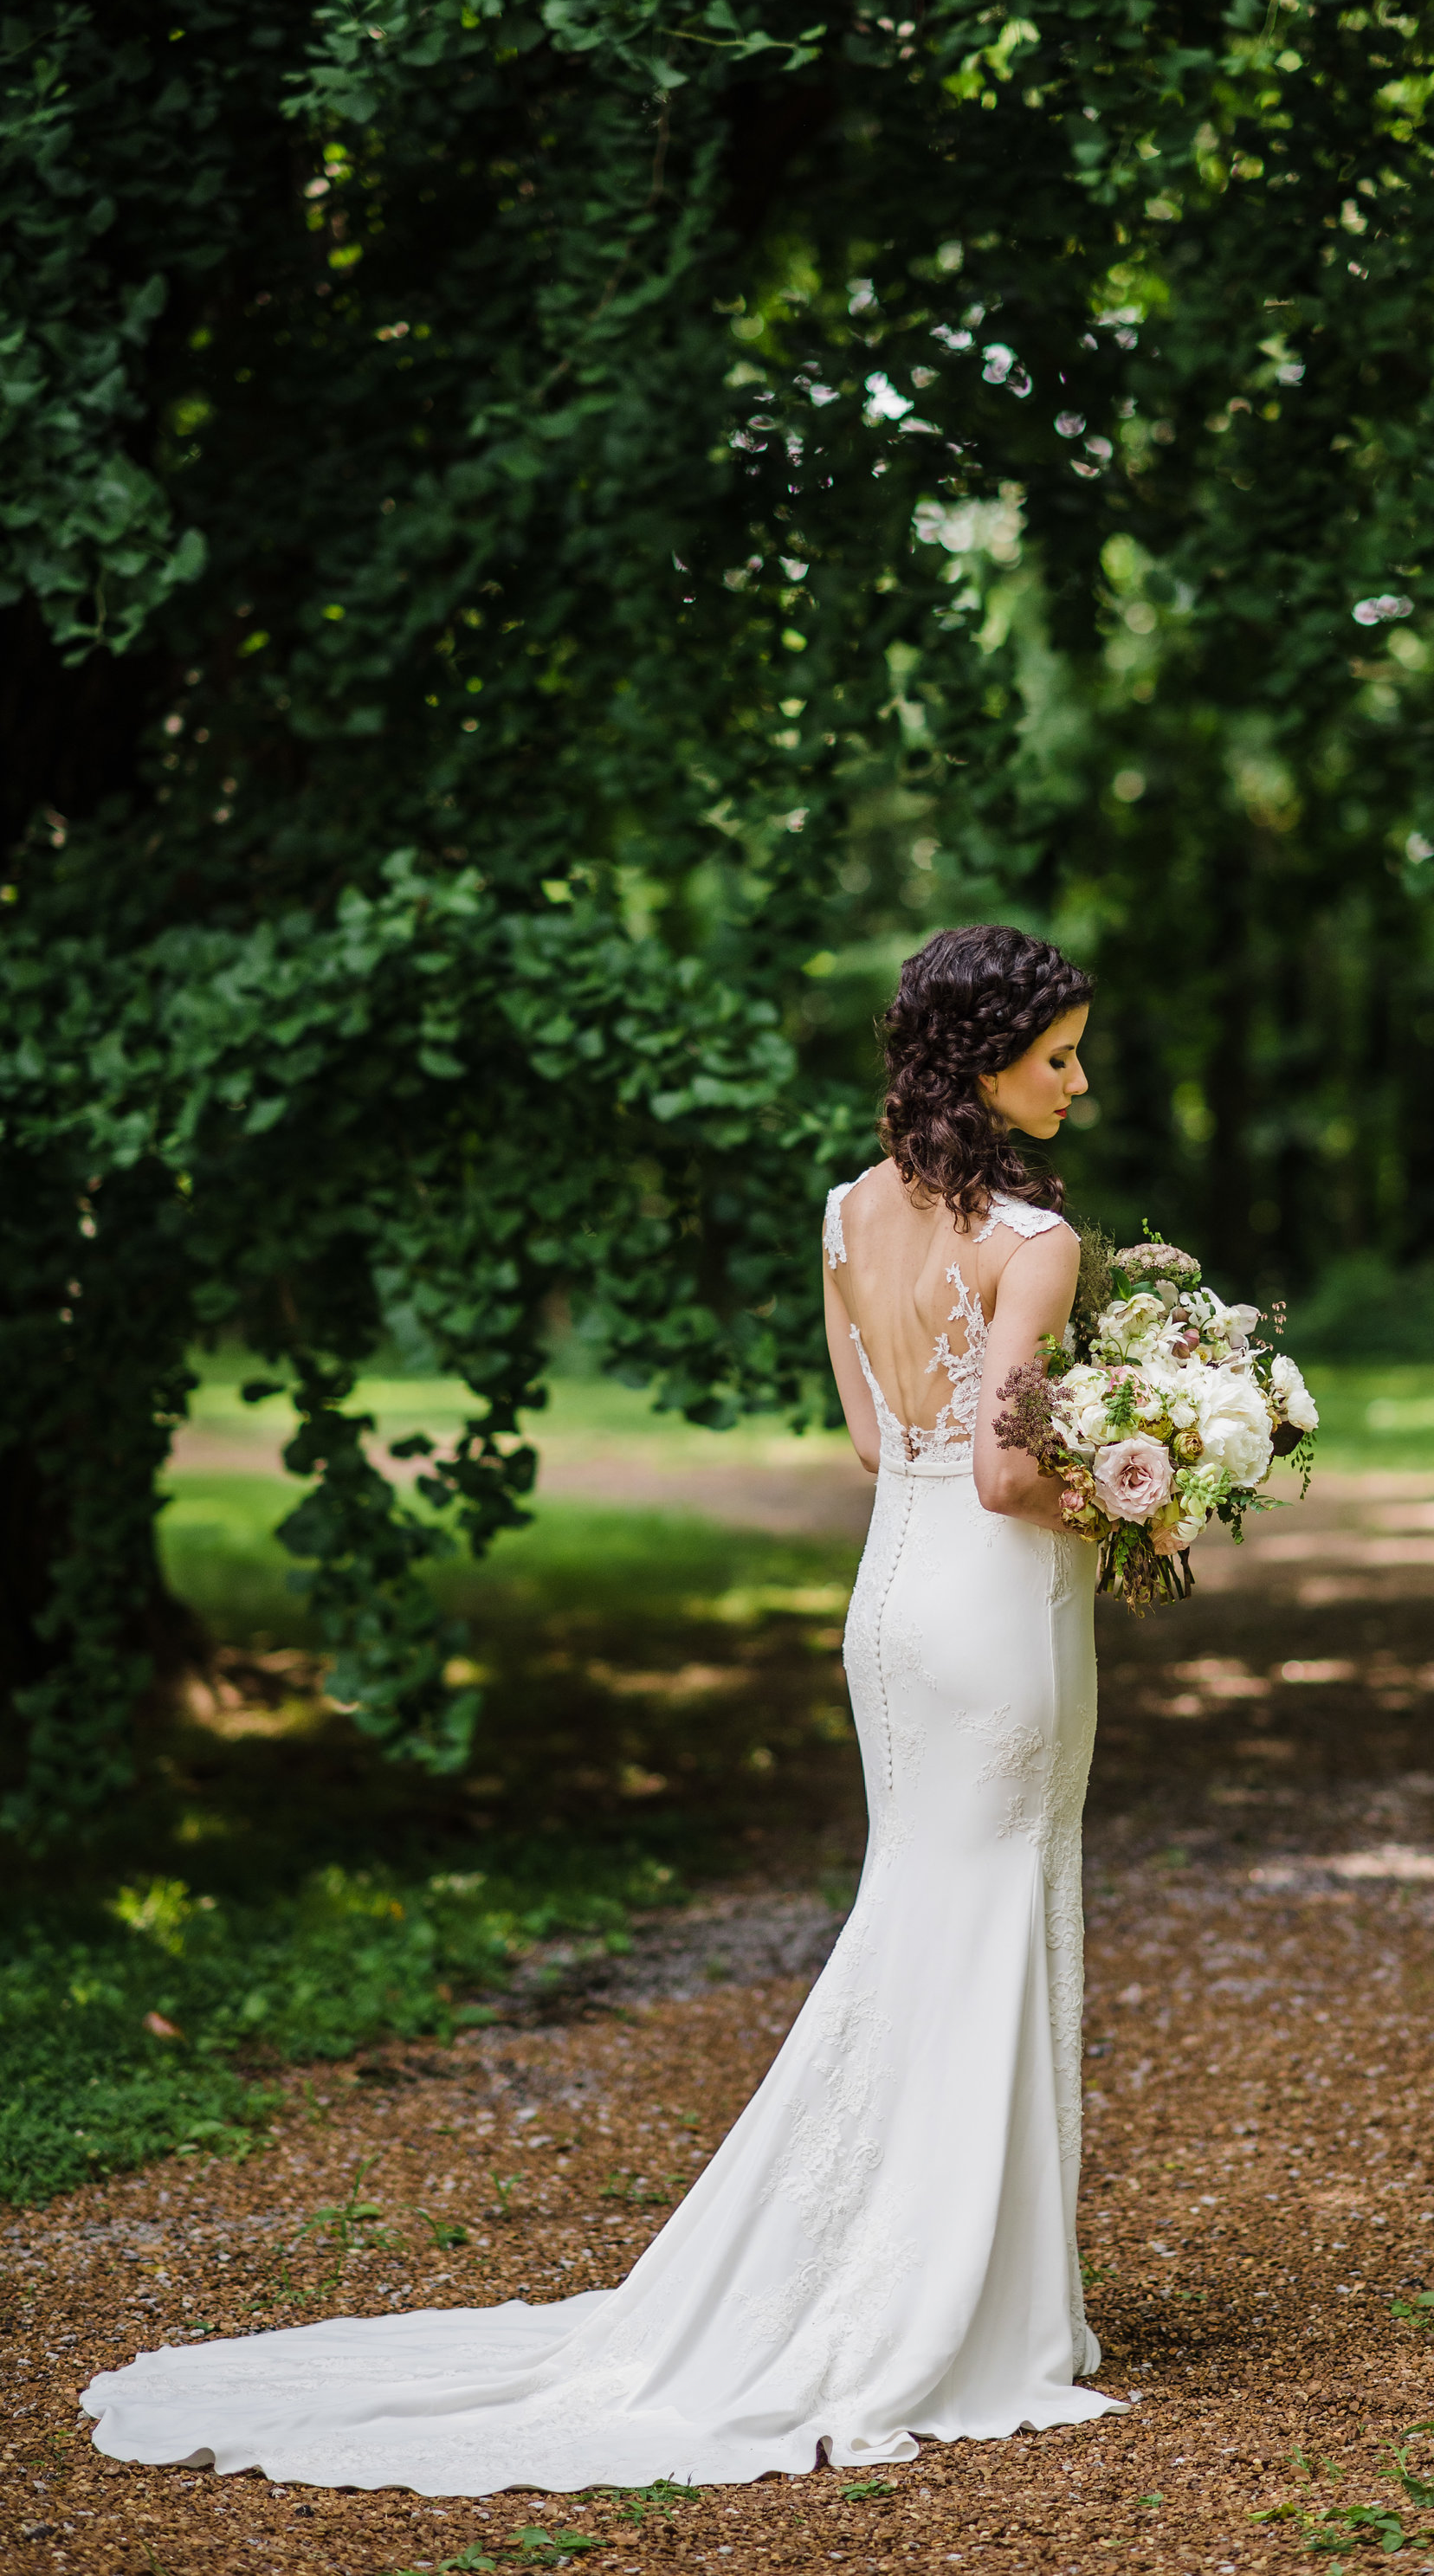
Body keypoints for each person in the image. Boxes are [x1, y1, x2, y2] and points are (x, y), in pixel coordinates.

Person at [81, 921, 1125, 2494]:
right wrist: (1147, 1493)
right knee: (983, 1917)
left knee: (924, 1911)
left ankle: (909, 2273)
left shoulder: (846, 1215)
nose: (1080, 1081)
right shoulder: (1031, 1237)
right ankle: (963, 2310)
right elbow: (1002, 1471)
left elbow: (875, 1442)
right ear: (983, 1062)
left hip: (890, 1602)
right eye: (1058, 1057)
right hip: (992, 1610)